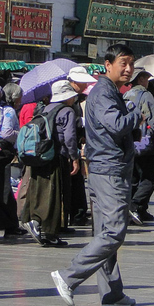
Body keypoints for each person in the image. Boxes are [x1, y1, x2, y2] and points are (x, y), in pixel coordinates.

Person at [51, 44, 140, 306]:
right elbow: (116, 125)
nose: (128, 69)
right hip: (109, 170)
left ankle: (112, 294)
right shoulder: (104, 92)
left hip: (106, 168)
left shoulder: (110, 92)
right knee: (113, 233)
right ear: (107, 65)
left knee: (104, 233)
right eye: (123, 63)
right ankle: (69, 276)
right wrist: (135, 112)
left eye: (131, 63)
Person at [22, 80, 80, 247]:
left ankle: (33, 220)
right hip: (56, 156)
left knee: (38, 189)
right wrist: (74, 156)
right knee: (54, 194)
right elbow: (69, 137)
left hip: (39, 155)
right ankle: (43, 227)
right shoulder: (67, 111)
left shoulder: (44, 109)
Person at [123, 68, 154, 224]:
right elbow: (153, 120)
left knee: (134, 177)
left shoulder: (126, 95)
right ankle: (135, 205)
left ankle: (140, 210)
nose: (147, 81)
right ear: (140, 80)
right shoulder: (146, 95)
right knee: (151, 178)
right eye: (146, 78)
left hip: (129, 142)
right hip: (144, 143)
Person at [0, 82, 22, 239]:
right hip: (3, 150)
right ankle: (8, 222)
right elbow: (7, 132)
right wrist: (20, 133)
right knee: (4, 187)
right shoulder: (8, 111)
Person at [65, 66, 95, 227]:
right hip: (70, 147)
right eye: (83, 83)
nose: (85, 86)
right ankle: (77, 214)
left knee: (76, 181)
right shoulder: (70, 100)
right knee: (74, 181)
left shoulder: (76, 99)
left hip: (75, 144)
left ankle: (78, 213)